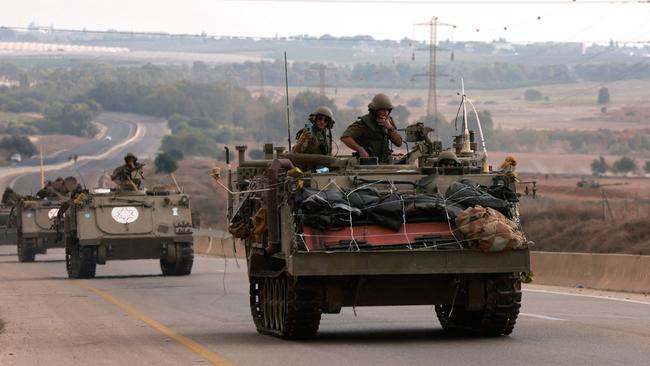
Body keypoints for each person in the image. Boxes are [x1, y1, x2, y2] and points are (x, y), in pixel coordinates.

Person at [340, 93, 403, 164]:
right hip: (367, 164)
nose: (385, 113)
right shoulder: (364, 123)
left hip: (385, 164)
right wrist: (361, 150)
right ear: (375, 110)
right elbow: (345, 137)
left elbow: (399, 143)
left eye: (387, 110)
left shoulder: (389, 121)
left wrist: (390, 128)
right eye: (382, 110)